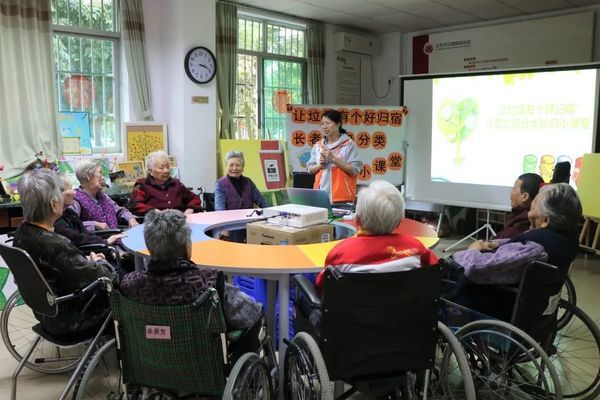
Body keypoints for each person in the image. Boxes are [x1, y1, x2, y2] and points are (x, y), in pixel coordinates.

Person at [119, 209, 263, 360]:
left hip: (151, 366)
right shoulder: (209, 283)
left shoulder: (130, 284)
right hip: (201, 368)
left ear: (149, 248)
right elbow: (251, 313)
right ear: (188, 248)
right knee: (257, 315)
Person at [449, 183, 582, 320]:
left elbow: (474, 268)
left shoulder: (535, 248)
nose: (531, 205)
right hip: (535, 310)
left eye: (535, 202)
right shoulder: (568, 240)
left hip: (493, 304)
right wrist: (496, 243)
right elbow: (522, 244)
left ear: (545, 220)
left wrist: (472, 250)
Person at [13, 169, 117, 339]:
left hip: (44, 312)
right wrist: (97, 263)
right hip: (71, 320)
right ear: (54, 204)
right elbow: (105, 277)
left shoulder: (22, 233)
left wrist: (84, 262)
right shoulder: (55, 244)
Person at [315, 180, 439, 292]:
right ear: (398, 222)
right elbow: (435, 272)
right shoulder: (416, 248)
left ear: (357, 221)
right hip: (405, 313)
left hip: (354, 316)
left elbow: (322, 287)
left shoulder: (340, 253)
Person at [306, 110, 362, 203]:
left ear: (338, 124)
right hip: (321, 196)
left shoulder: (349, 145)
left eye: (327, 123)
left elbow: (355, 170)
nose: (324, 127)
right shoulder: (318, 145)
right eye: (322, 124)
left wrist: (333, 159)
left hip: (342, 198)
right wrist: (320, 165)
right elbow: (309, 168)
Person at [55, 176, 126, 247]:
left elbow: (85, 233)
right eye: (70, 188)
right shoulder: (58, 220)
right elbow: (77, 238)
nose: (74, 192)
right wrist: (105, 241)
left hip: (100, 242)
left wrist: (130, 218)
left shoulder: (70, 212)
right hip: (91, 249)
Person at [128, 150, 203, 216]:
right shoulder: (143, 184)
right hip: (155, 224)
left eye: (168, 167)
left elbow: (194, 198)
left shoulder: (176, 184)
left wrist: (190, 210)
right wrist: (153, 211)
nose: (166, 171)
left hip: (179, 222)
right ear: (150, 171)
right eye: (161, 168)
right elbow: (134, 204)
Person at [72, 158, 139, 231]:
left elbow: (119, 210)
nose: (103, 177)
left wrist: (131, 218)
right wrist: (95, 224)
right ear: (88, 176)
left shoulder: (102, 196)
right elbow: (72, 224)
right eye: (100, 173)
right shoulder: (75, 199)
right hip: (100, 240)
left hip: (116, 236)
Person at [494, 173, 544, 239]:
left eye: (514, 189)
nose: (511, 193)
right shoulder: (519, 217)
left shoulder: (522, 224)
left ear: (525, 196)